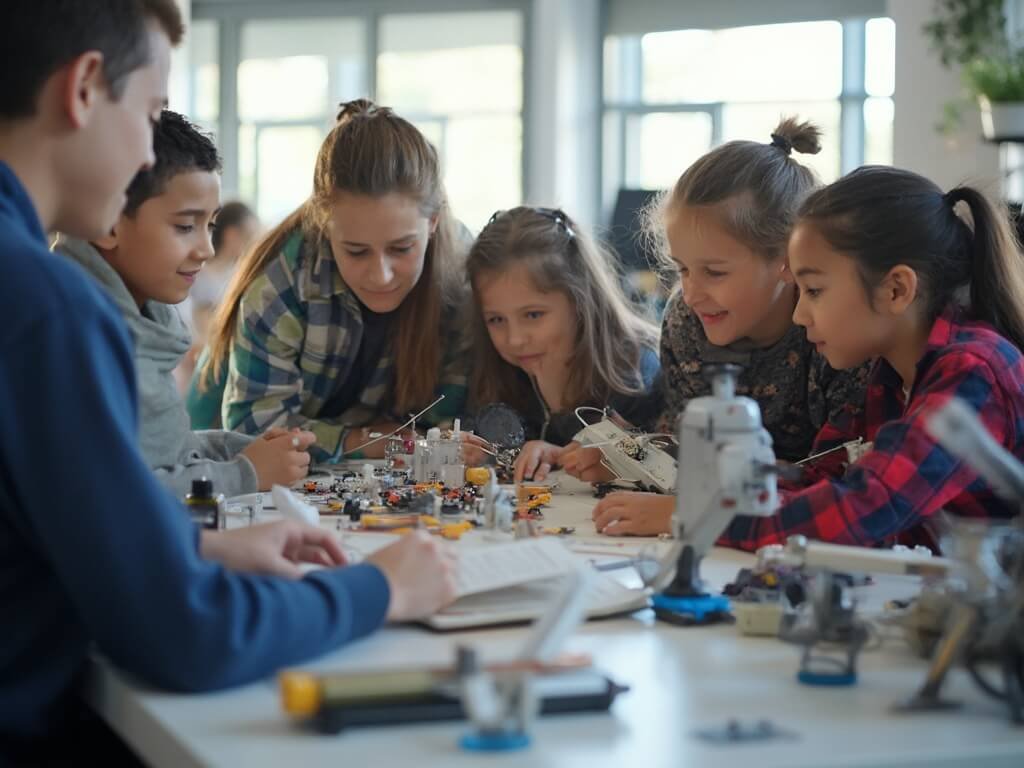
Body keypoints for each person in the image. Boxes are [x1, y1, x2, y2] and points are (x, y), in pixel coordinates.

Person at [0, 4, 455, 760]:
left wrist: (192, 545)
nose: (149, 146)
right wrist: (380, 590)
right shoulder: (43, 306)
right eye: (148, 114)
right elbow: (186, 634)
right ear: (84, 89)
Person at [587, 118, 869, 536]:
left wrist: (687, 511)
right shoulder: (686, 320)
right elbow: (689, 449)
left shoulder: (831, 333)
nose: (691, 292)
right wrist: (627, 455)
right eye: (682, 269)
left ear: (785, 259)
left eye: (715, 273)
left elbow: (841, 480)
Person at [719, 166, 1024, 551]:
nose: (799, 315)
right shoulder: (888, 375)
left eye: (813, 290)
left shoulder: (973, 372)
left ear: (896, 290)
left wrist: (708, 519)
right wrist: (722, 494)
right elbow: (819, 476)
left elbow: (870, 503)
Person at [188, 99, 470, 463]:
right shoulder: (280, 281)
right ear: (324, 225)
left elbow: (449, 419)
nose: (380, 274)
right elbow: (256, 431)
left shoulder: (461, 272)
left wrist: (400, 440)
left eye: (401, 248)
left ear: (432, 223)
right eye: (356, 251)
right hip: (217, 462)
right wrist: (367, 439)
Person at [55, 110, 313, 497]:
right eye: (184, 226)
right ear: (108, 222)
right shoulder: (74, 333)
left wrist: (243, 450)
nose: (206, 249)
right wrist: (245, 473)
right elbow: (109, 492)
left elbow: (159, 452)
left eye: (209, 225)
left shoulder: (145, 316)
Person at [465, 206, 661, 483]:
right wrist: (481, 451)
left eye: (533, 315)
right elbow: (490, 441)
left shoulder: (638, 372)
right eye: (496, 319)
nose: (515, 339)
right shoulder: (499, 369)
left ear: (580, 301)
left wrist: (565, 457)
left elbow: (660, 468)